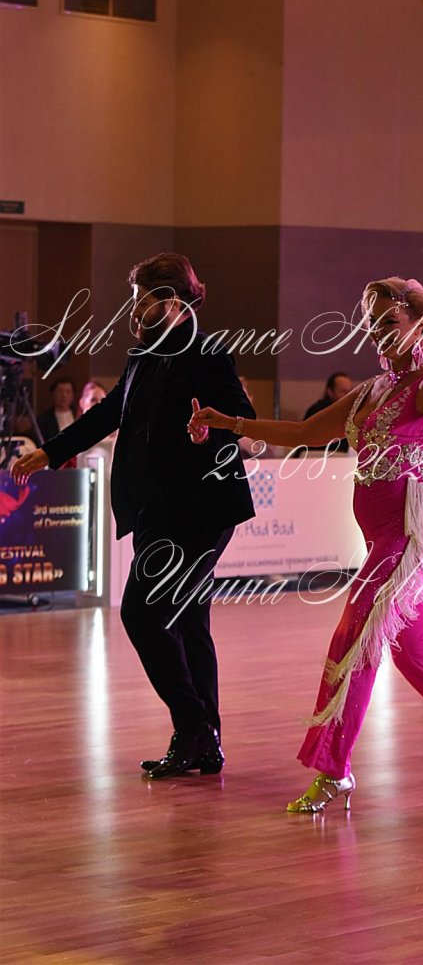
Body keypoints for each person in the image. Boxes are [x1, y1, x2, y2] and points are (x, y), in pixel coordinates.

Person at [189, 277, 423, 812]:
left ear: (418, 325)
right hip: (382, 538)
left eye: (389, 321)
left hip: (411, 535)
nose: (377, 332)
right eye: (372, 323)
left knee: (353, 638)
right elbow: (304, 434)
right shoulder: (374, 389)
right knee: (414, 651)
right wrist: (227, 423)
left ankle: (333, 771)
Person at [11, 253, 256, 779]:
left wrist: (209, 429)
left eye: (141, 299)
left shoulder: (208, 353)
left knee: (141, 614)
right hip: (155, 509)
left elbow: (243, 418)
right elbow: (108, 413)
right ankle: (206, 742)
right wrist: (50, 452)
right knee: (188, 621)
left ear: (170, 300)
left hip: (198, 509)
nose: (134, 308)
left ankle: (193, 727)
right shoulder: (144, 353)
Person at [295, 372, 354, 455]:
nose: (349, 395)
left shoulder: (350, 411)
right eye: (343, 391)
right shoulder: (319, 411)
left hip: (336, 458)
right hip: (317, 458)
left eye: (351, 391)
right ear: (330, 392)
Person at [37, 376, 77, 441]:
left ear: (73, 395)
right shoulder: (44, 420)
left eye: (68, 392)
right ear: (53, 394)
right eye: (60, 391)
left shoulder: (78, 414)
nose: (64, 396)